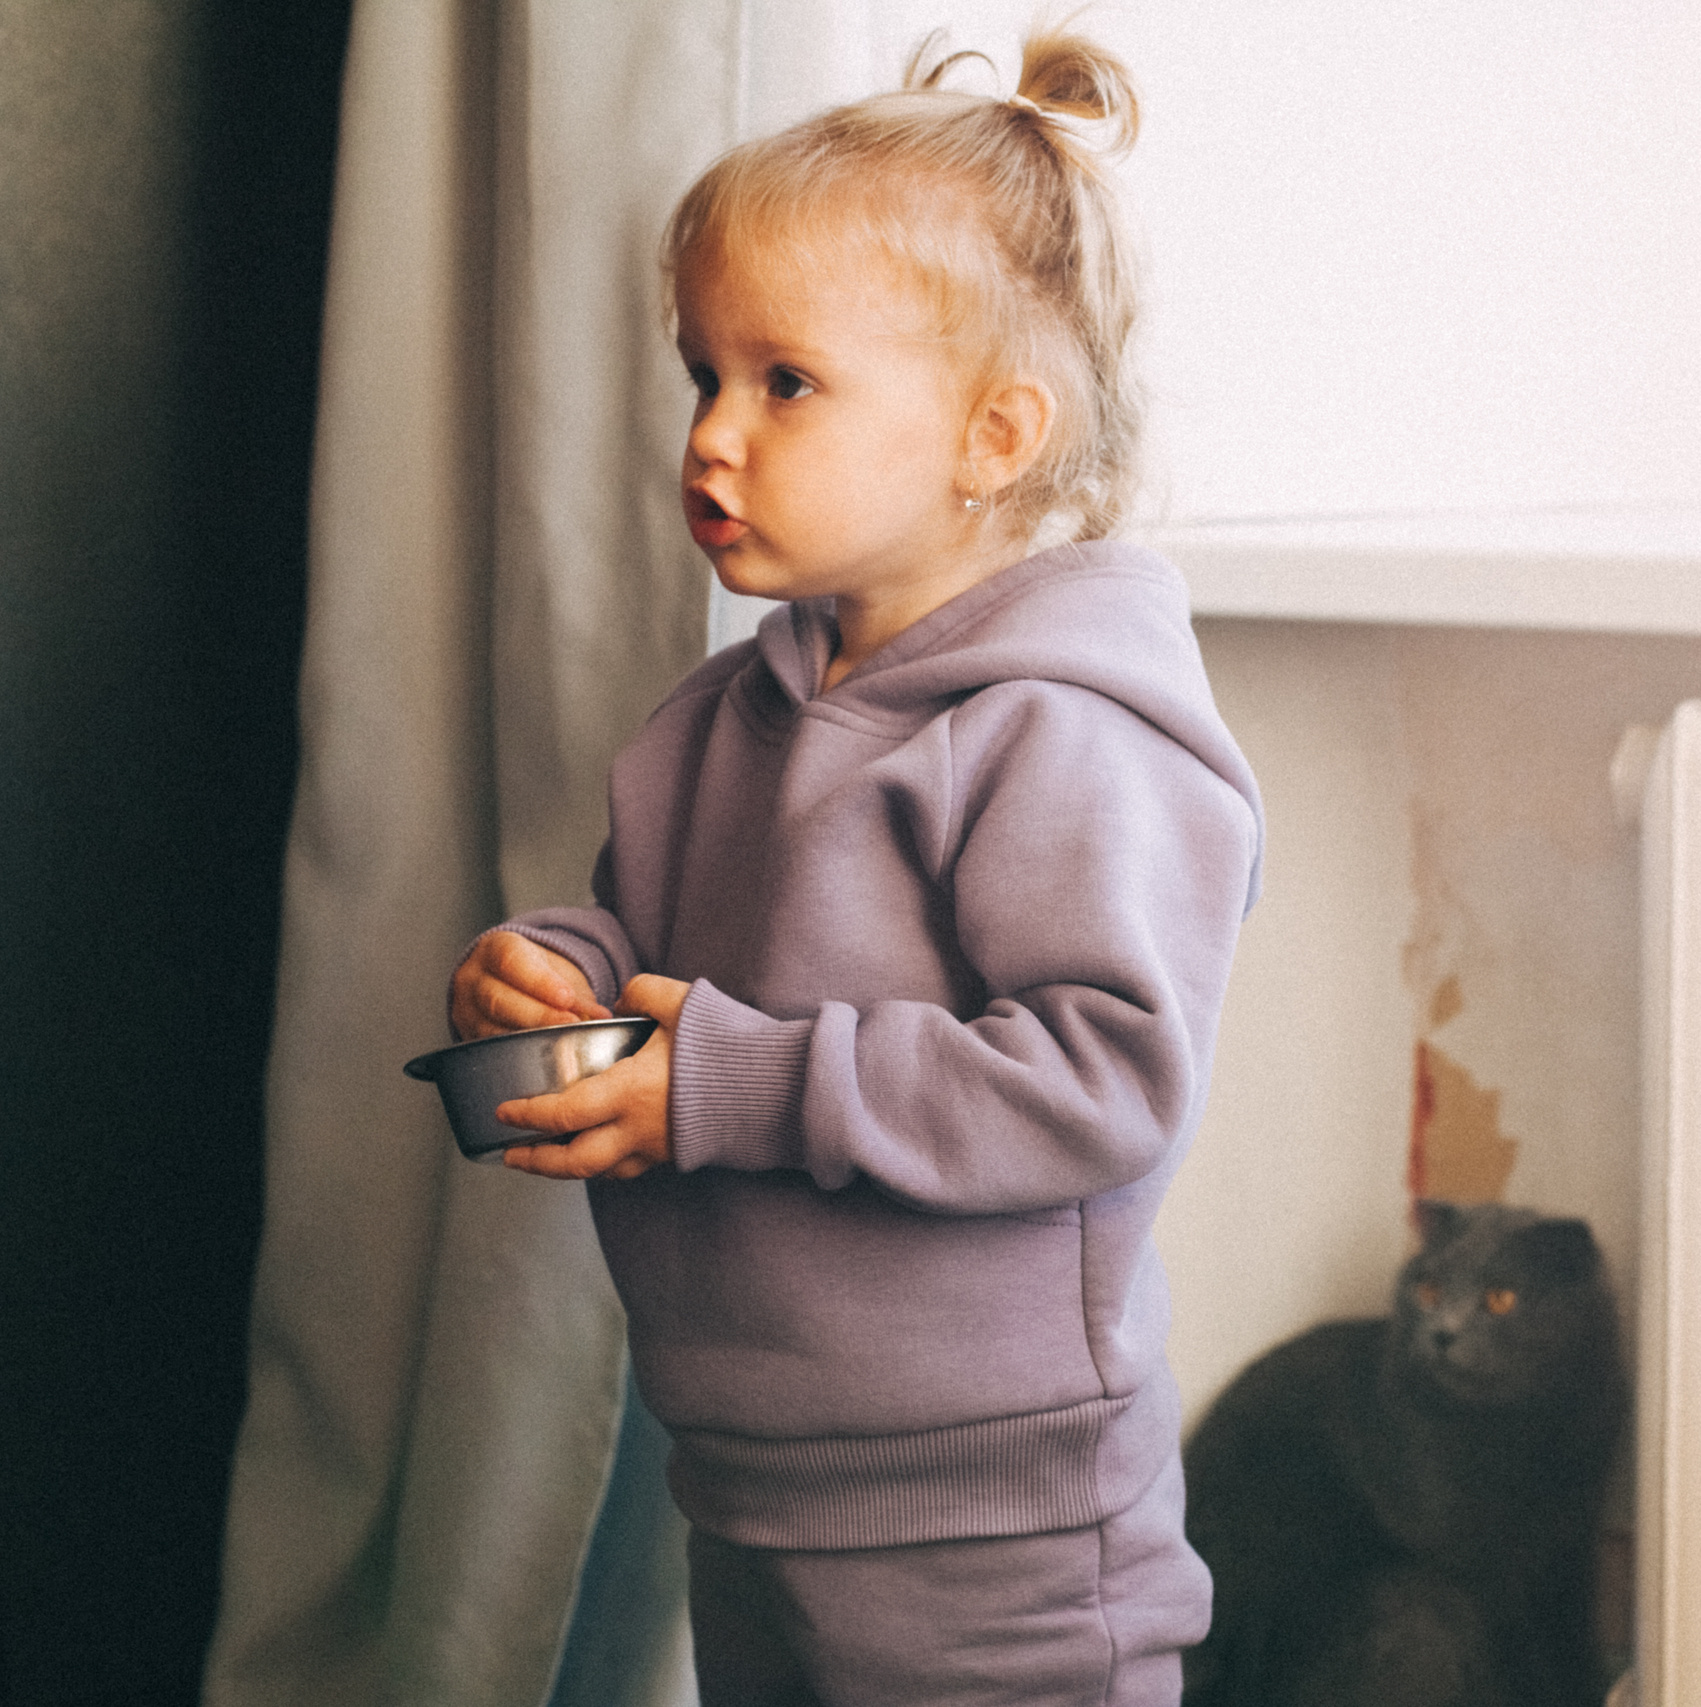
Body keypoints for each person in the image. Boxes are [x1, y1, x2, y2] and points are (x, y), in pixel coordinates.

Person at [445, 29, 1262, 1707]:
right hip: (752, 1478)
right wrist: (563, 970)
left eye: (785, 382)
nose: (714, 438)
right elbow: (672, 946)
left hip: (1000, 1536)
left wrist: (729, 1087)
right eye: (703, 375)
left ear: (992, 435)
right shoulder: (717, 723)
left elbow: (1102, 1078)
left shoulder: (1065, 736)